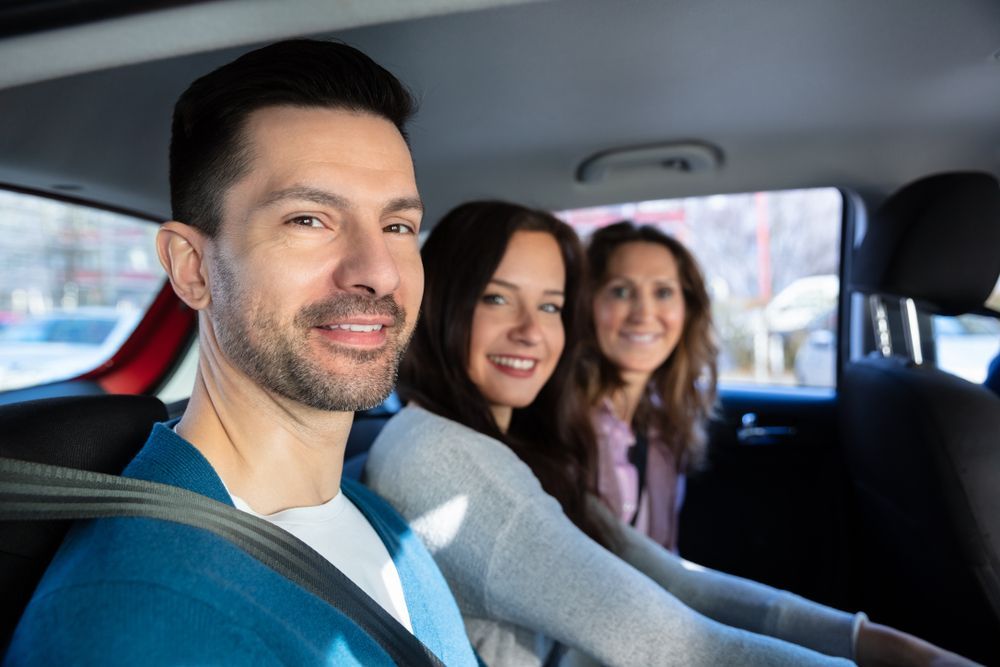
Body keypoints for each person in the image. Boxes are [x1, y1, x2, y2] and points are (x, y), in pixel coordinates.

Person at [6, 40, 477, 666]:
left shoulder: (377, 521)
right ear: (192, 267)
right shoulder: (138, 622)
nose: (378, 272)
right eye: (309, 220)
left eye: (397, 227)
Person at [365, 200, 981, 667]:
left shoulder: (510, 447)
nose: (531, 330)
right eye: (498, 299)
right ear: (440, 304)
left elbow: (673, 581)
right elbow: (671, 642)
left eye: (551, 306)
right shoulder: (449, 462)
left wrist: (870, 640)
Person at [583, 222, 717, 551]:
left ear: (687, 309)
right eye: (621, 291)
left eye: (663, 292)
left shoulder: (665, 420)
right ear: (588, 303)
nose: (643, 314)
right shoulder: (560, 420)